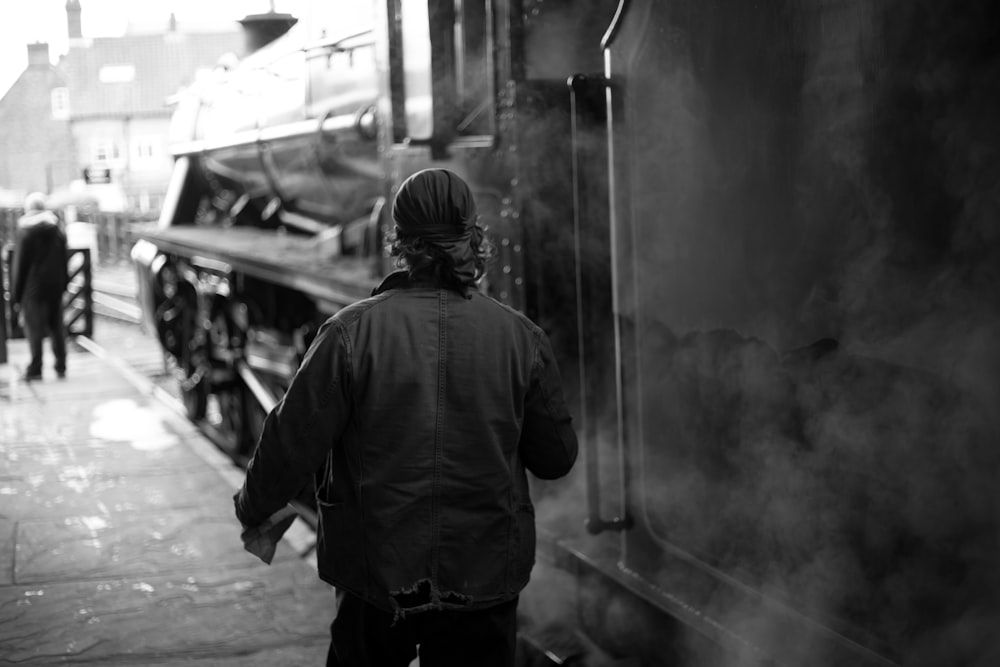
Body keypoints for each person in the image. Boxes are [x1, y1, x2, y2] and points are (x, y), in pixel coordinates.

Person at [234, 168, 578, 667]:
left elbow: (289, 443)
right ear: (473, 239)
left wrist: (253, 508)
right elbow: (556, 459)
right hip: (481, 577)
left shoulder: (349, 334)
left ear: (400, 242)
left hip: (376, 579)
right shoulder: (521, 338)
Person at [11, 192, 68, 382]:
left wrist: (16, 296)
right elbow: (63, 258)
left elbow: (20, 266)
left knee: (34, 328)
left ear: (28, 209)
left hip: (33, 288)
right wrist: (64, 283)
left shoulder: (25, 231)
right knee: (57, 325)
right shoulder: (57, 228)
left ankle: (36, 368)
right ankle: (61, 364)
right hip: (55, 286)